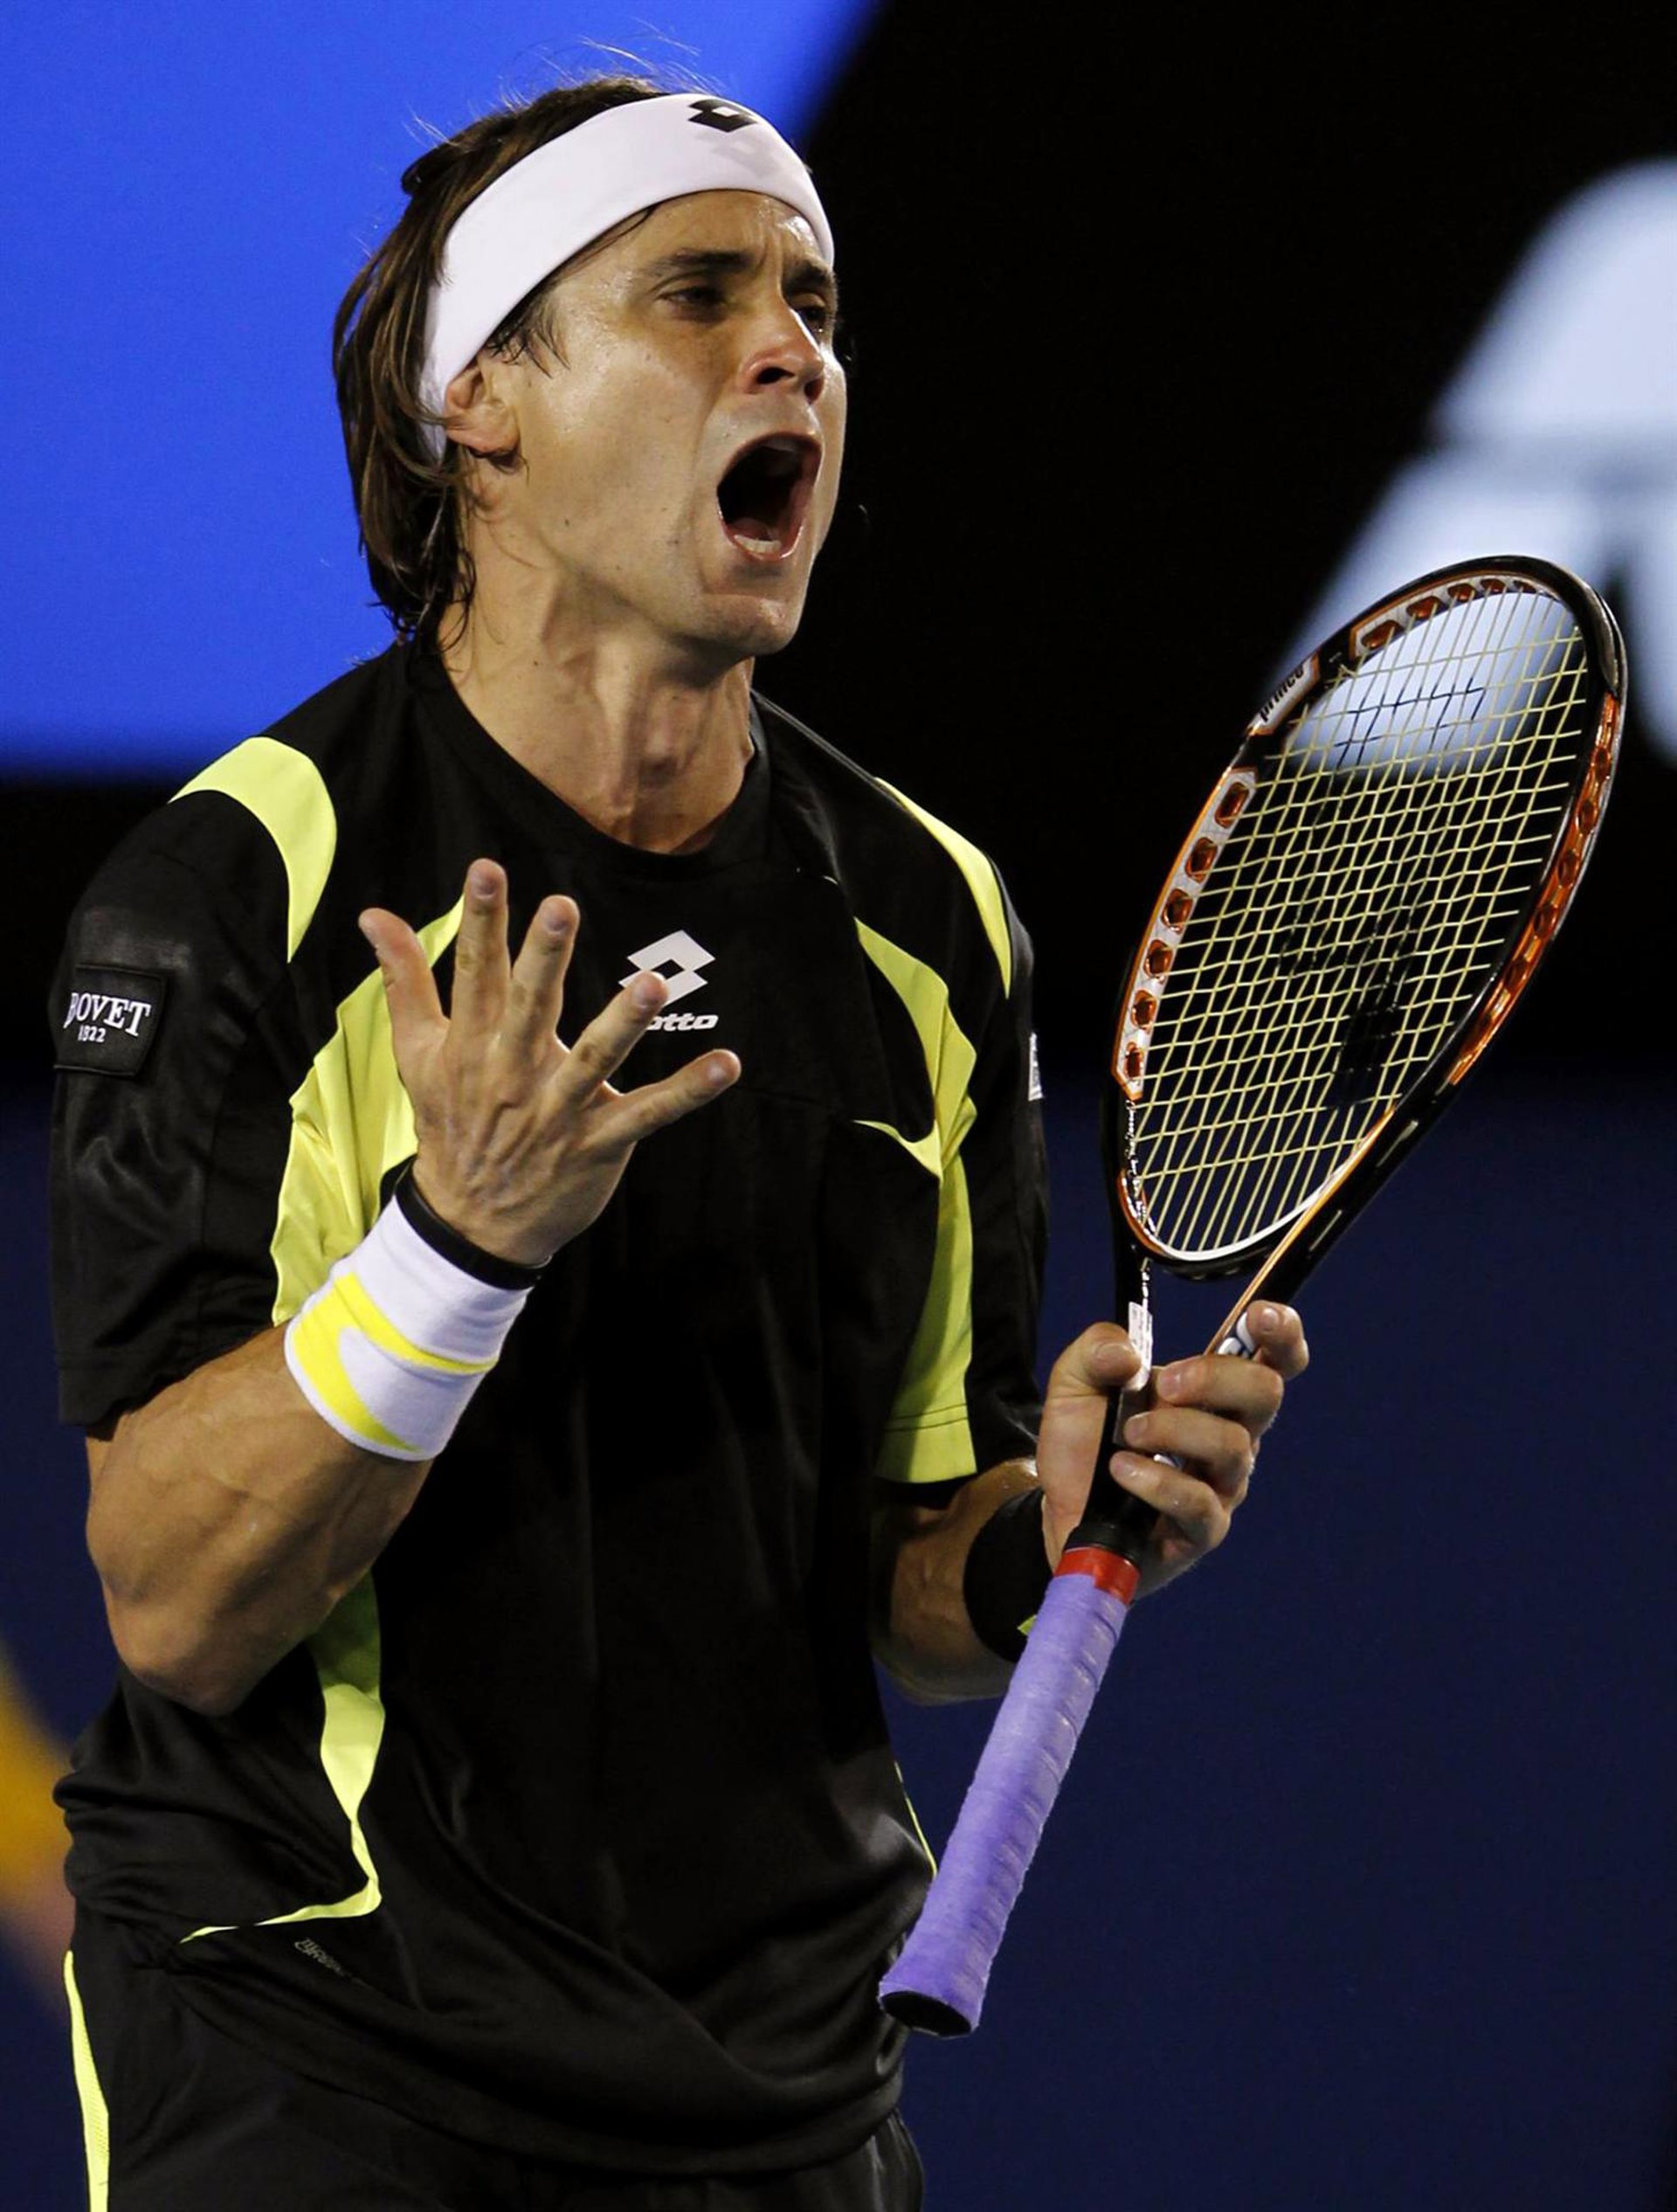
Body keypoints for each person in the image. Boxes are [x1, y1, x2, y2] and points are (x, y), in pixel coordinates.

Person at [47, 73, 1307, 2210]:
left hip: (780, 2092)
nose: (791, 350)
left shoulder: (928, 921)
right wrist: (457, 1248)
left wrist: (1051, 1535)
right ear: (481, 406)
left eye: (814, 303)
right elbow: (176, 1604)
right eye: (697, 294)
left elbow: (910, 1577)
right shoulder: (236, 890)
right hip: (318, 2046)